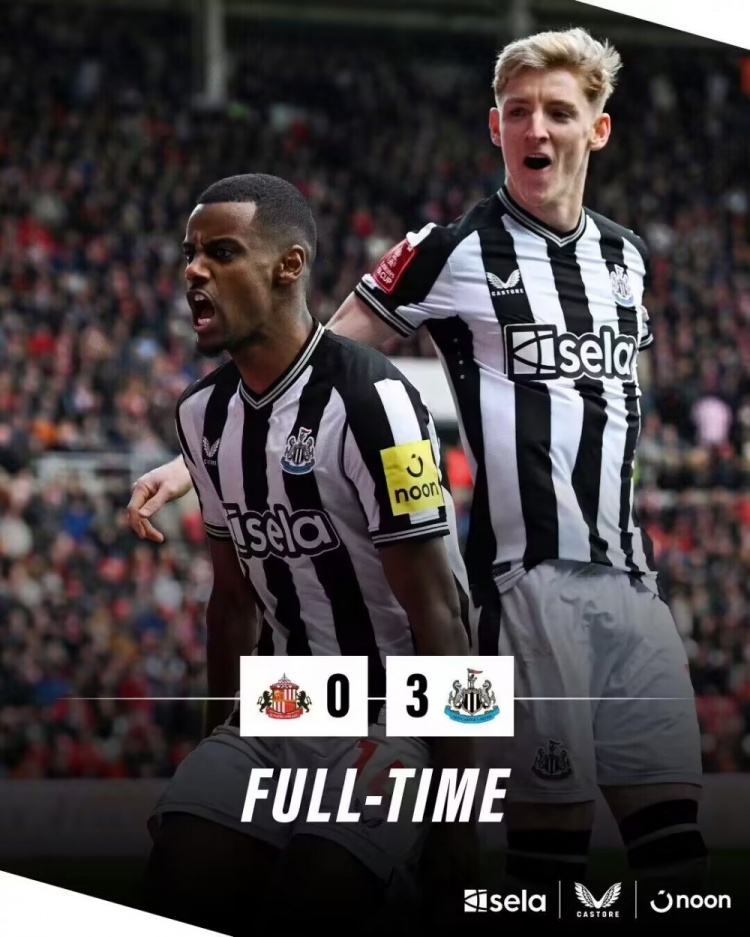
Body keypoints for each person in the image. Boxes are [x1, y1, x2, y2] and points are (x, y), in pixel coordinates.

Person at [129, 29, 707, 893]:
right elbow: (313, 358)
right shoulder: (451, 249)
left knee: (675, 848)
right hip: (526, 585)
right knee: (549, 852)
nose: (536, 129)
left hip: (635, 584)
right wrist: (190, 465)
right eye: (518, 112)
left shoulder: (626, 258)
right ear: (495, 127)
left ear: (598, 129)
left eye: (558, 112)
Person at [142, 173, 476, 934]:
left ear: (288, 266)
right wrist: (217, 743)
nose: (194, 271)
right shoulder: (201, 416)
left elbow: (443, 613)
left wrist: (456, 810)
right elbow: (231, 604)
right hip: (282, 706)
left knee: (315, 899)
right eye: (190, 254)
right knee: (177, 881)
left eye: (221, 252)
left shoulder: (376, 400)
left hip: (395, 715)